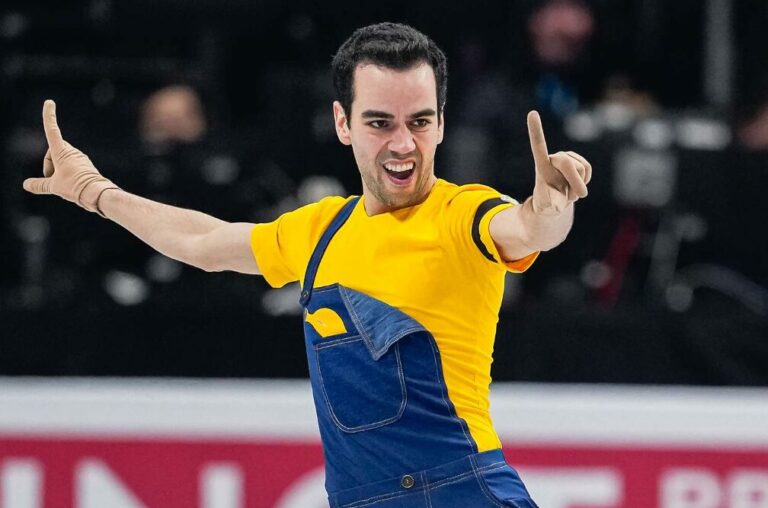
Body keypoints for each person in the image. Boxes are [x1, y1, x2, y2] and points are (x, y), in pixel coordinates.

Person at [23, 22, 591, 508]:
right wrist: (96, 192)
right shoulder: (322, 231)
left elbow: (529, 228)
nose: (403, 144)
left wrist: (552, 204)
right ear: (343, 123)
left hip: (461, 493)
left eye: (419, 122)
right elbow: (204, 241)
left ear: (441, 123)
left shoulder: (463, 214)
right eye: (380, 123)